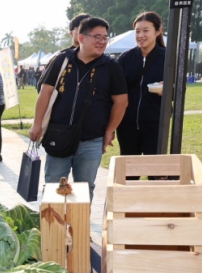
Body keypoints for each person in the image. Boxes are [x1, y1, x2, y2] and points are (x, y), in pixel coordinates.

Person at [29, 16, 129, 199]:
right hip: (58, 135)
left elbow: (121, 102)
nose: (102, 42)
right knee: (53, 188)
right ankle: (55, 227)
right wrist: (37, 124)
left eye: (105, 37)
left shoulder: (111, 67)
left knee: (85, 188)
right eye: (97, 37)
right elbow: (45, 93)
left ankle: (80, 228)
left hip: (91, 140)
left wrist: (109, 130)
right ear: (81, 38)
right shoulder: (61, 61)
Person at [116, 11, 166, 161]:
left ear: (158, 31)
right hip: (127, 126)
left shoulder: (168, 58)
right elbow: (114, 90)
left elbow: (180, 91)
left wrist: (169, 89)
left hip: (156, 125)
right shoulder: (125, 58)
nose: (140, 35)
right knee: (130, 174)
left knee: (155, 172)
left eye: (146, 30)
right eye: (137, 31)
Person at [36, 13, 91, 92]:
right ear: (71, 33)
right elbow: (43, 89)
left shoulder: (101, 60)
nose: (85, 33)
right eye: (81, 28)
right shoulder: (61, 58)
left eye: (90, 30)